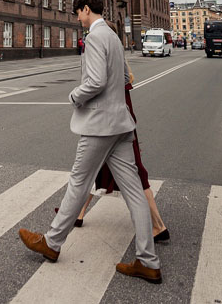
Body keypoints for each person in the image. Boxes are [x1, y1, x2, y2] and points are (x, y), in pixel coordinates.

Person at [19, 0, 161, 284]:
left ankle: (52, 242)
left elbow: (95, 81)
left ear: (85, 9)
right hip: (121, 124)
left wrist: (74, 96)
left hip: (100, 125)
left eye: (78, 13)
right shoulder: (113, 36)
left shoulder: (96, 37)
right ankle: (147, 261)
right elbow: (123, 79)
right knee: (134, 191)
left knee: (78, 182)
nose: (78, 19)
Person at [69, 55, 170, 242]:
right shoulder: (113, 54)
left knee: (134, 171)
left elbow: (103, 83)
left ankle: (157, 225)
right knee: (96, 167)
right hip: (117, 118)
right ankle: (79, 213)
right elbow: (124, 78)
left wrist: (80, 96)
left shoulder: (105, 53)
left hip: (114, 121)